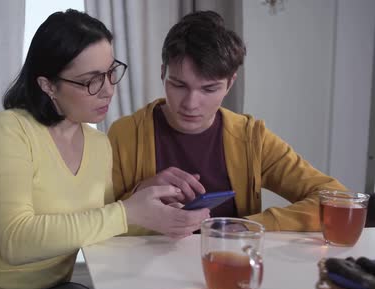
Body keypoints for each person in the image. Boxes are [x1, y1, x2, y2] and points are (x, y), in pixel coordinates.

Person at [0, 9, 209, 289]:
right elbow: (15, 241)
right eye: (91, 80)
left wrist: (152, 206)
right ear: (48, 85)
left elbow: (102, 224)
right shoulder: (9, 130)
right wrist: (127, 212)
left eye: (110, 73)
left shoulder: (97, 144)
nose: (108, 89)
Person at [108, 10, 347, 234]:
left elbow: (337, 198)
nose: (191, 103)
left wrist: (248, 227)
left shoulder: (251, 138)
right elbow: (95, 224)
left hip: (226, 265)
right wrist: (140, 194)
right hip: (142, 271)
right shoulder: (125, 134)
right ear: (163, 74)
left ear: (230, 83)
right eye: (179, 85)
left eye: (209, 88)